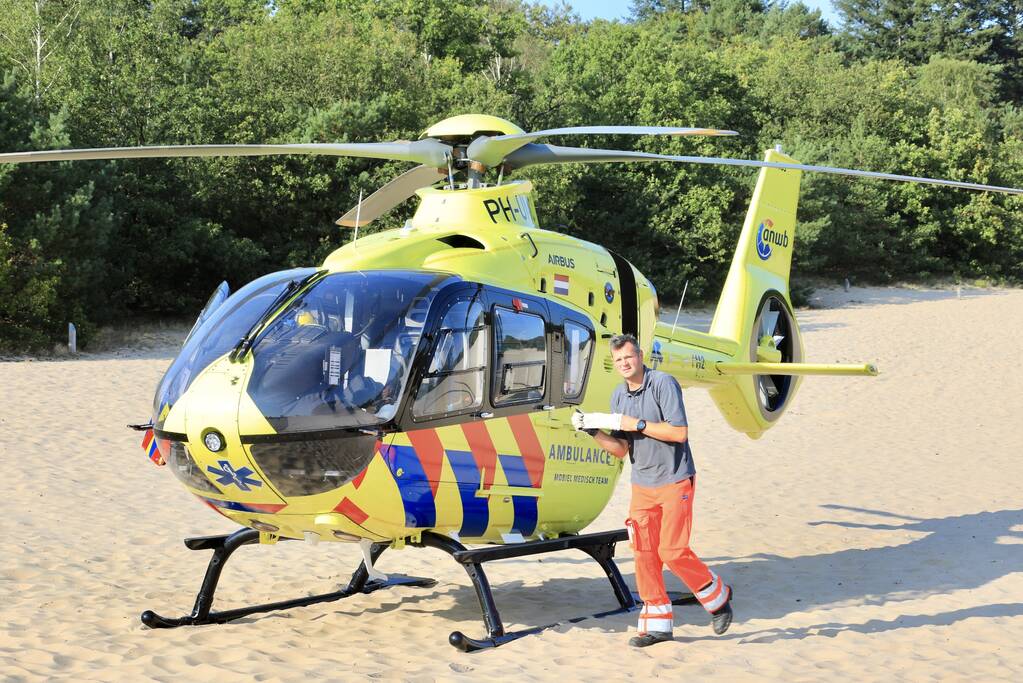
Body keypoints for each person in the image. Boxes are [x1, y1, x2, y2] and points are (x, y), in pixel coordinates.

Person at [572, 333, 733, 647]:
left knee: (672, 551)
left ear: (640, 355)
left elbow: (678, 432)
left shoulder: (663, 383)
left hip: (675, 479)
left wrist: (635, 423)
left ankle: (717, 598)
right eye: (618, 360)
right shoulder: (619, 396)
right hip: (642, 486)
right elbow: (620, 449)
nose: (624, 363)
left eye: (629, 357)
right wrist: (592, 429)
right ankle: (657, 627)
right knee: (644, 554)